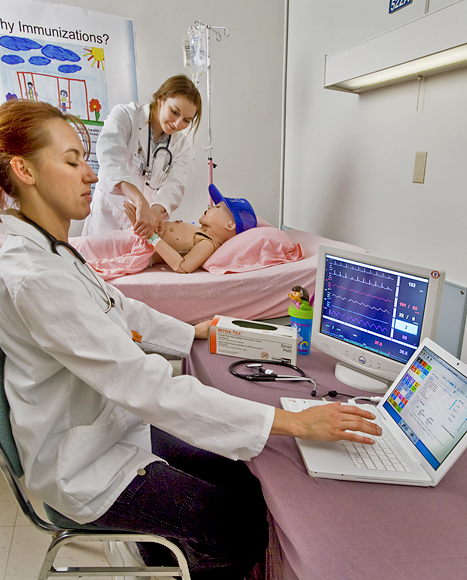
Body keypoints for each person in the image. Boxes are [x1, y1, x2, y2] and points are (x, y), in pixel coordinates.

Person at [0, 99, 382, 580]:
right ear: (24, 170)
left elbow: (121, 311)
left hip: (109, 429)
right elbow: (148, 387)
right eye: (73, 161)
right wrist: (296, 423)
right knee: (238, 527)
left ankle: (171, 559)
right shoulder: (34, 275)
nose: (91, 176)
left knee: (246, 479)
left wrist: (191, 331)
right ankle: (182, 558)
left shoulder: (56, 253)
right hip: (82, 465)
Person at [82, 74, 202, 238]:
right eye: (174, 112)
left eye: (187, 120)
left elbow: (174, 185)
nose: (178, 124)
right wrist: (140, 201)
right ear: (161, 99)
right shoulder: (126, 116)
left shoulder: (181, 145)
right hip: (108, 215)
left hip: (144, 224)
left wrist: (156, 211)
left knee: (136, 260)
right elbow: (110, 159)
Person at [72, 183, 257, 278]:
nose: (210, 207)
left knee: (81, 249)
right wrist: (141, 223)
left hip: (135, 246)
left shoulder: (207, 243)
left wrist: (150, 236)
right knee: (81, 246)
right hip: (132, 239)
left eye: (217, 208)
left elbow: (183, 267)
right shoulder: (198, 231)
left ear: (230, 225)